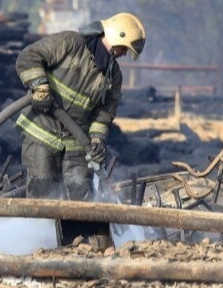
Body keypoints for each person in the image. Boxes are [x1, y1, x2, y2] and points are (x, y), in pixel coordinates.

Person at [15, 12, 146, 201]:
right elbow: (29, 57)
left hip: (77, 144)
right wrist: (40, 86)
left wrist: (96, 140)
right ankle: (38, 231)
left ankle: (81, 232)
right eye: (124, 49)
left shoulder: (113, 75)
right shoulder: (71, 43)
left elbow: (104, 113)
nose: (125, 54)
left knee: (81, 198)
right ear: (118, 36)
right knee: (42, 193)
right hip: (41, 132)